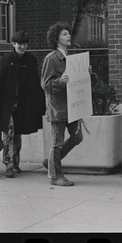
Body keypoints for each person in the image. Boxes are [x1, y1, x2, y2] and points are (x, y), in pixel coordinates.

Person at [0, 31, 45, 178]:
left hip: (23, 102)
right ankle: (9, 164)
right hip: (7, 103)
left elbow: (35, 82)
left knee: (17, 133)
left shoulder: (31, 60)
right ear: (13, 44)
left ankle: (15, 162)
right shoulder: (5, 60)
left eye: (24, 44)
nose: (22, 47)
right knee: (9, 132)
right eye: (19, 44)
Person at [41, 22, 83, 186]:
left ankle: (50, 162)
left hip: (72, 106)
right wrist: (60, 81)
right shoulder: (51, 59)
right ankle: (55, 175)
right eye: (65, 34)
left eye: (68, 33)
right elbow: (45, 85)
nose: (68, 36)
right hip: (58, 108)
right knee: (57, 143)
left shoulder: (71, 59)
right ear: (56, 38)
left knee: (77, 137)